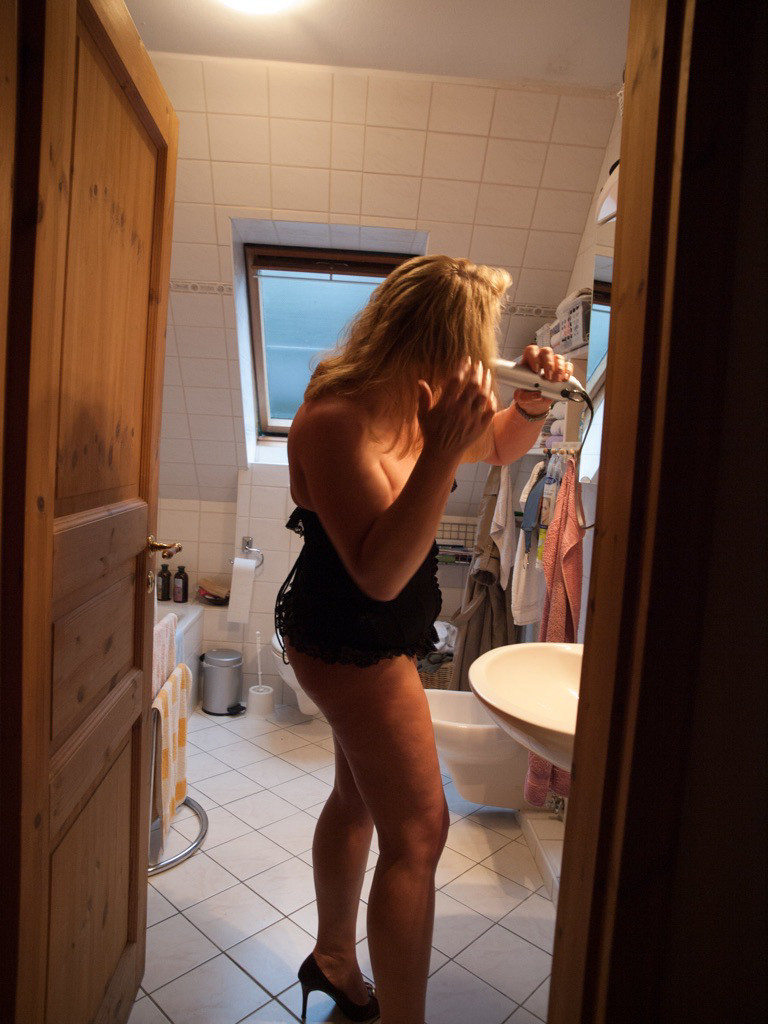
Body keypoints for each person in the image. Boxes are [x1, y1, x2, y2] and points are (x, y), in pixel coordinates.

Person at [275, 255, 573, 1023]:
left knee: (357, 798)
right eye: (475, 343)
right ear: (438, 343)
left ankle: (333, 960)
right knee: (420, 833)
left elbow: (498, 445)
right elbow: (378, 574)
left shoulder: (416, 400)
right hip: (349, 638)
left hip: (369, 633)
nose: (482, 359)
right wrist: (440, 450)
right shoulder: (336, 418)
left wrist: (530, 405)